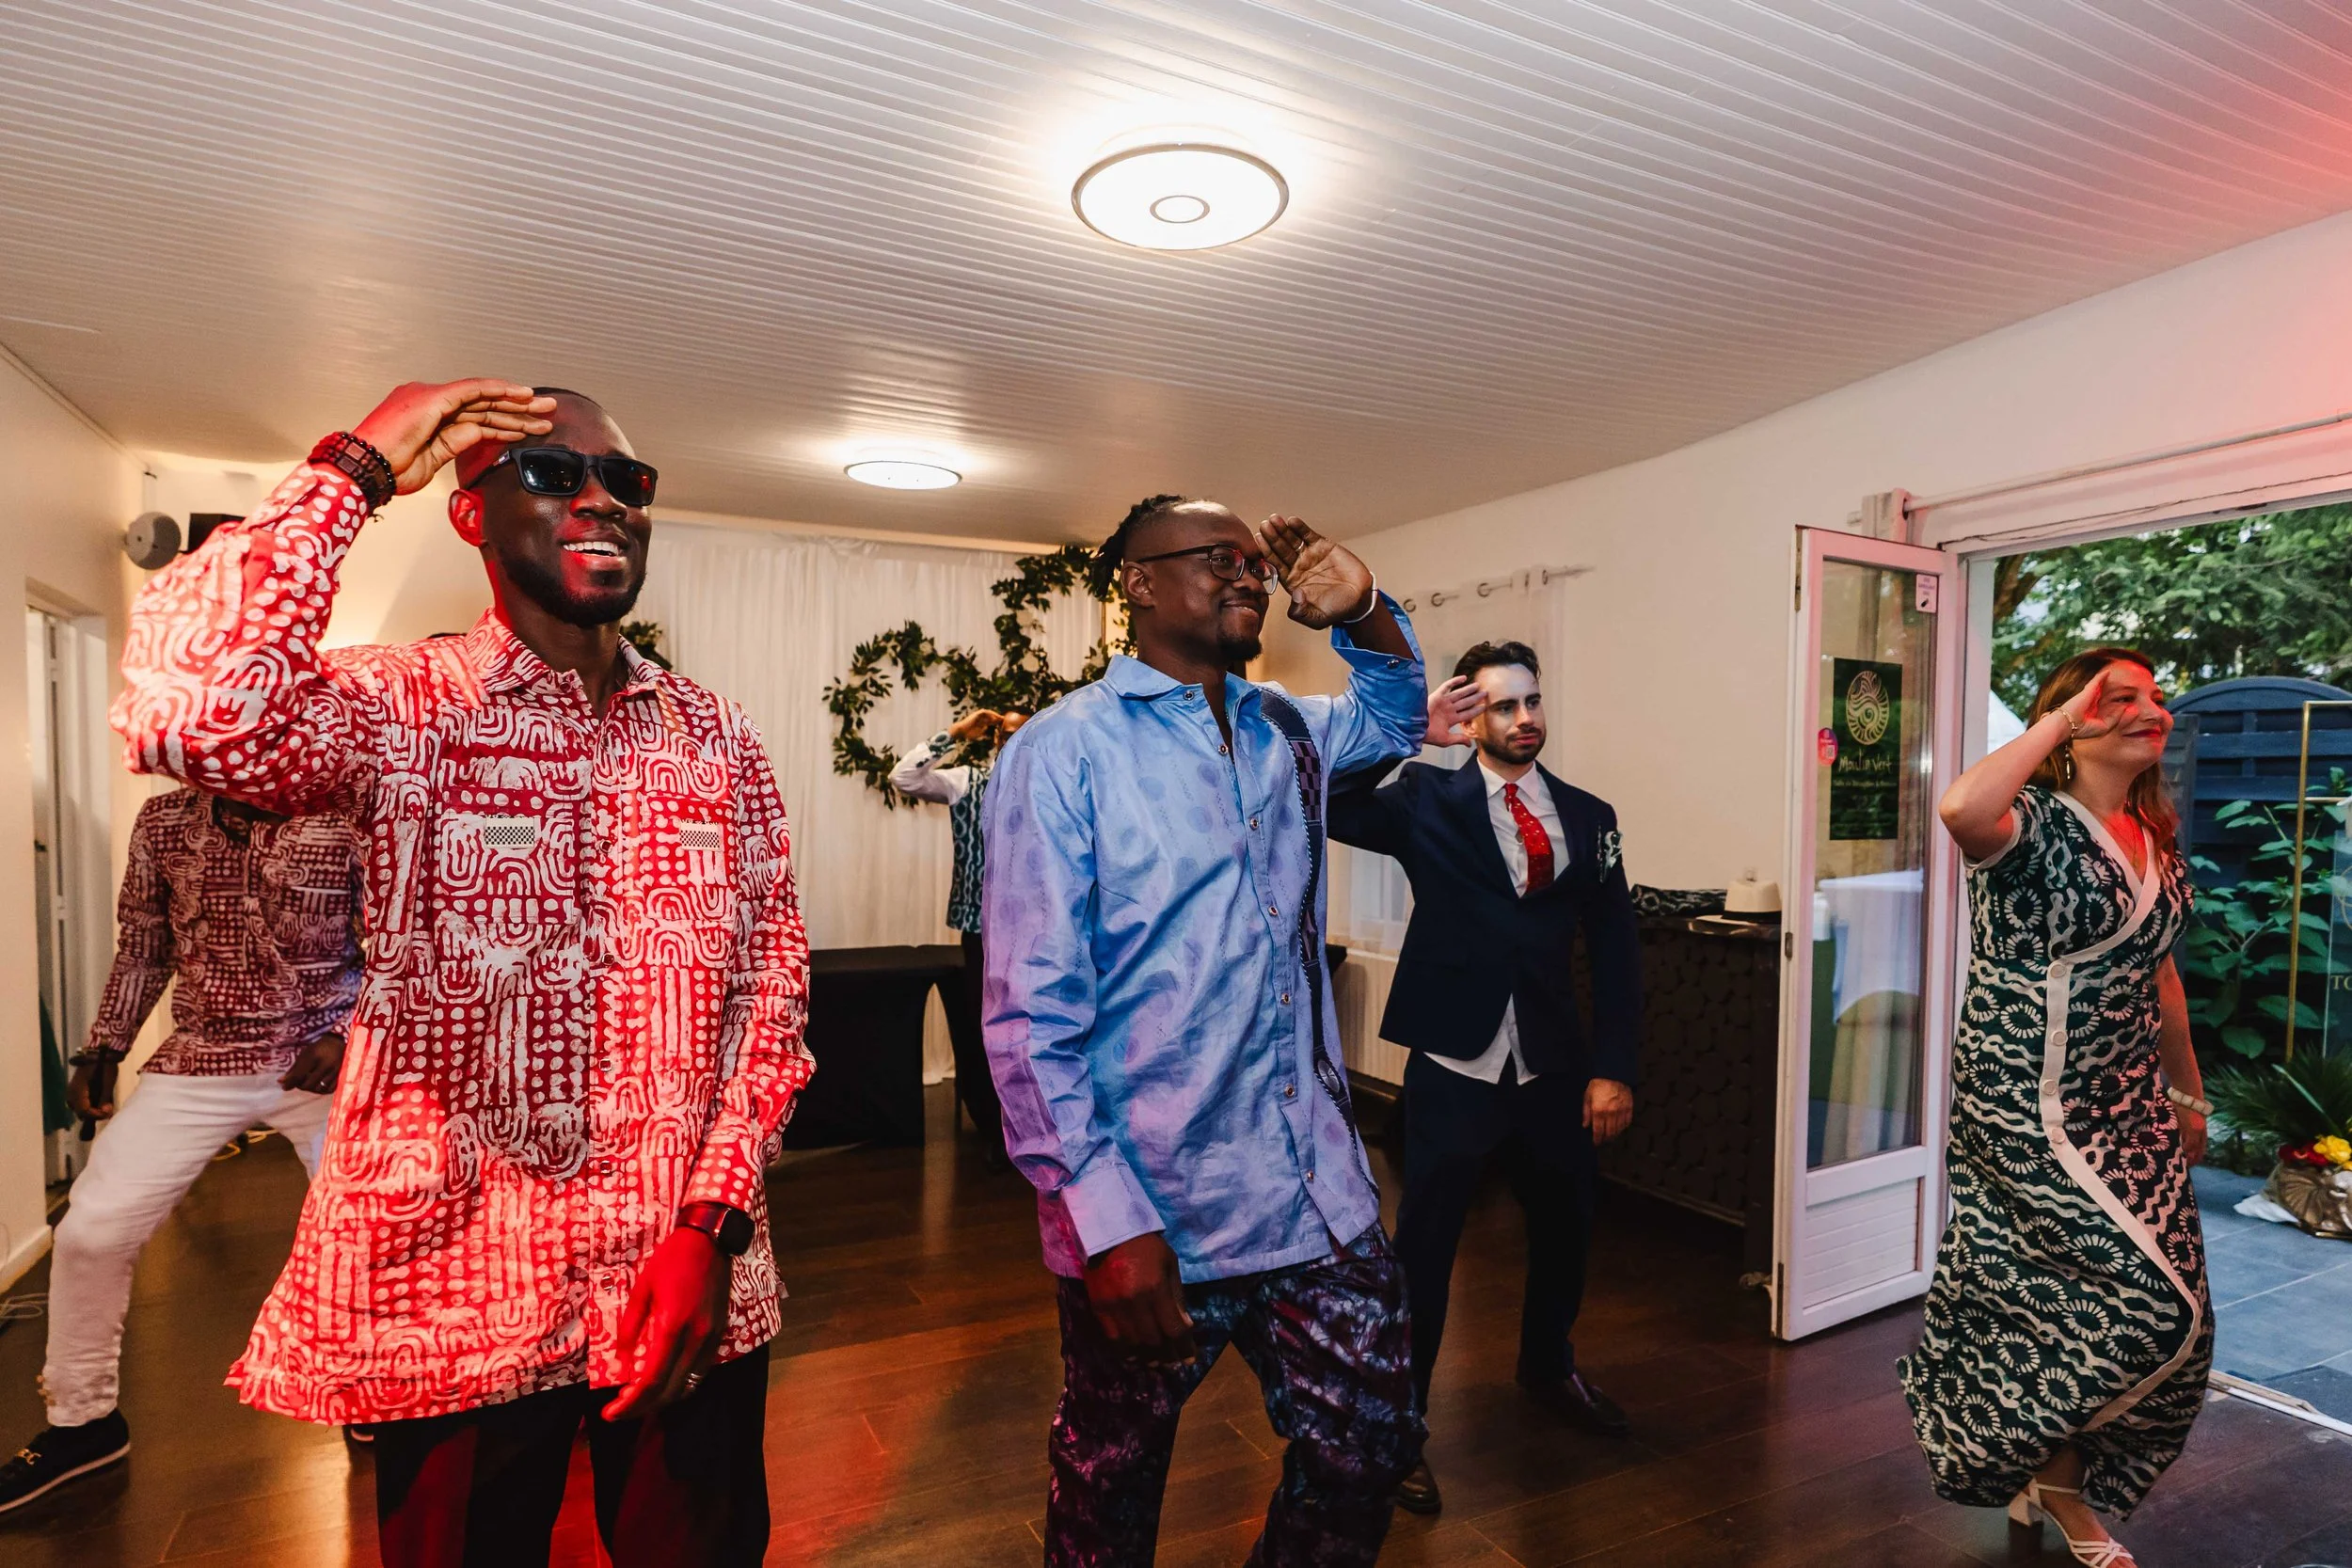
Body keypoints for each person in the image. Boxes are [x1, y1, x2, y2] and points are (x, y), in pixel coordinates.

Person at [109, 380, 813, 1567]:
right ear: (470, 513)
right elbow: (188, 714)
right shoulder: (398, 707)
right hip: (456, 1293)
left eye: (626, 480)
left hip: (683, 1279)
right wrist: (357, 466)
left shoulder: (717, 739)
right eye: (553, 472)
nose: (602, 498)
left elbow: (770, 990)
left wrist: (714, 1221)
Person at [984, 495, 1427, 1566]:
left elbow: (1396, 717)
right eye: (1217, 558)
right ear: (1138, 583)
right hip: (1153, 1206)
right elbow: (1031, 1014)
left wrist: (1363, 608)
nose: (1247, 576)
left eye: (1254, 564)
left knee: (1371, 1446)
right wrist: (1104, 1221)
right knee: (1110, 1487)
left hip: (1313, 1192)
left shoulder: (1288, 728)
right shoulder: (1063, 751)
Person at [1900, 646, 2210, 1568]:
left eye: (2155, 694)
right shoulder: (2026, 823)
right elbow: (1959, 807)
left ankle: (2054, 1478)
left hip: (2128, 1100)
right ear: (2071, 718)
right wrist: (2064, 717)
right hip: (2024, 1099)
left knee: (2177, 1311)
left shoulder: (2152, 835)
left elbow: (2161, 975)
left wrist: (2186, 1089)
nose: (2147, 708)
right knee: (2142, 1303)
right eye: (2120, 696)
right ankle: (2041, 1472)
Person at [1326, 641, 1641, 1515]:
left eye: (1532, 700)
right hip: (1454, 1059)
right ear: (1471, 722)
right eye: (1504, 705)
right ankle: (1400, 1423)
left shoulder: (1590, 816)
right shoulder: (1424, 798)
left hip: (1553, 1064)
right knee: (1425, 1247)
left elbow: (1616, 948)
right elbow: (1331, 801)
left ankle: (1548, 1367)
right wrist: (1406, 735)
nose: (1525, 718)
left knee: (1567, 1225)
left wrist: (1614, 1068)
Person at [0, 788, 362, 1513]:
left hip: (326, 1052)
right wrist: (104, 1047)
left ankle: (374, 1387)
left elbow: (402, 941)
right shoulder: (163, 820)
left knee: (368, 1225)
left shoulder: (348, 812)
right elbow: (144, 944)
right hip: (203, 1054)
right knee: (91, 1229)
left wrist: (347, 1031)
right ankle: (83, 1420)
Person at [889, 707, 1026, 1167]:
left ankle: (1029, 1126)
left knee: (1029, 1030)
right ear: (995, 740)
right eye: (1005, 734)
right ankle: (992, 1130)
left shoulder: (1048, 784)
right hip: (980, 929)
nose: (1011, 742)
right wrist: (955, 733)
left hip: (1035, 930)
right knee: (982, 1029)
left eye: (1021, 733)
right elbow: (904, 777)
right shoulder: (968, 781)